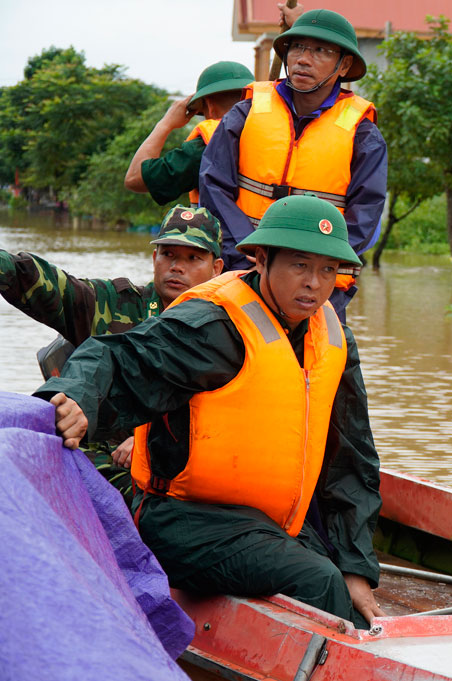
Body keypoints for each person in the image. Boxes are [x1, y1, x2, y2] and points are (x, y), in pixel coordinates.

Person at [35, 195, 383, 629]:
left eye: (327, 270)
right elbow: (118, 356)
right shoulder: (214, 325)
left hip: (264, 523)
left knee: (346, 586)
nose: (314, 283)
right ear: (261, 258)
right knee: (318, 581)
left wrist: (356, 568)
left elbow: (351, 460)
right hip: (182, 520)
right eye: (299, 265)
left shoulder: (332, 338)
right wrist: (76, 397)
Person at [1, 205, 223, 472]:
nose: (177, 267)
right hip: (100, 461)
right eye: (169, 254)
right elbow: (45, 283)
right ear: (155, 258)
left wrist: (145, 443)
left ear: (216, 269)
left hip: (183, 469)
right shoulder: (115, 304)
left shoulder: (226, 330)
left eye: (193, 258)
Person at [200, 8, 387, 317]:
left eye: (321, 51)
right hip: (242, 266)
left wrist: (308, 268)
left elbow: (364, 217)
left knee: (316, 362)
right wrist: (250, 250)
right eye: (297, 46)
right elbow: (213, 185)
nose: (303, 58)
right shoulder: (245, 113)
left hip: (316, 287)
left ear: (345, 65)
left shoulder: (363, 134)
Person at [125, 62, 254, 206]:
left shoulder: (206, 148)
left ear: (210, 106)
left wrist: (165, 124)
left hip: (229, 229)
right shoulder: (279, 135)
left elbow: (134, 178)